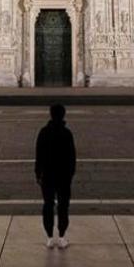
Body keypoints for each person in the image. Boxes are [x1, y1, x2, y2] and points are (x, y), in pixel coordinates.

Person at [35, 103, 76, 249]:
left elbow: (38, 155)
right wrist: (70, 175)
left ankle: (49, 237)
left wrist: (38, 174)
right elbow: (72, 157)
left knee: (48, 205)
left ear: (51, 114)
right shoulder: (67, 133)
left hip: (47, 175)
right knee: (63, 206)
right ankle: (62, 237)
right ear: (63, 115)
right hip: (63, 176)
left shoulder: (43, 132)